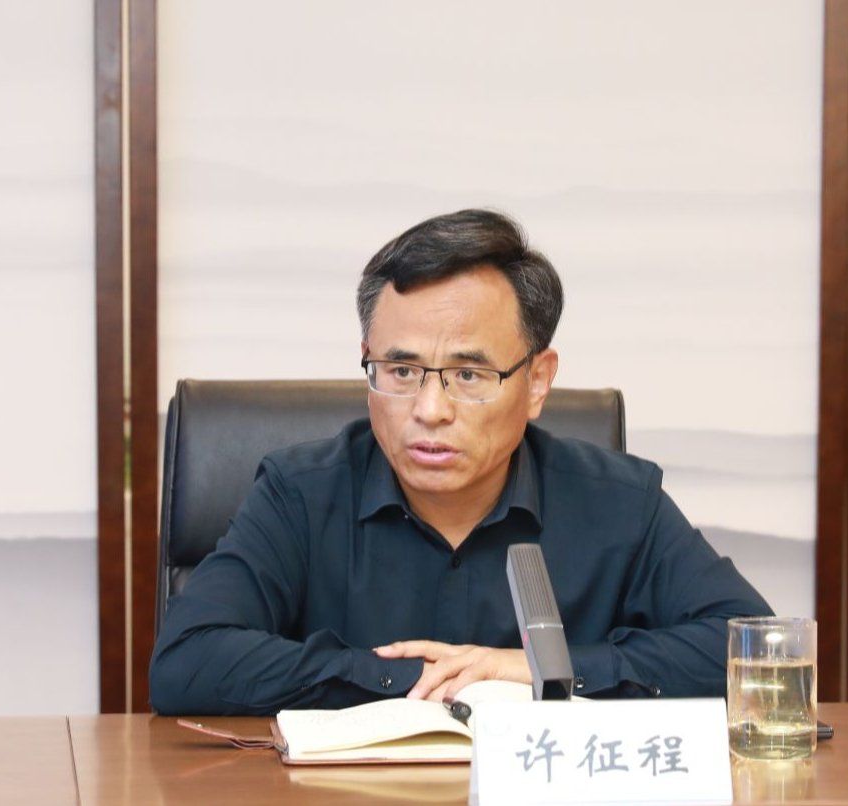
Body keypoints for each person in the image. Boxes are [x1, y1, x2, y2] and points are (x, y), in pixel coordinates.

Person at [149, 209, 772, 715]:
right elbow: (186, 663)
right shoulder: (301, 493)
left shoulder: (619, 502)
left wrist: (534, 670)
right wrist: (416, 679)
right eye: (401, 370)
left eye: (469, 375)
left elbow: (754, 652)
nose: (430, 410)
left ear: (537, 381)